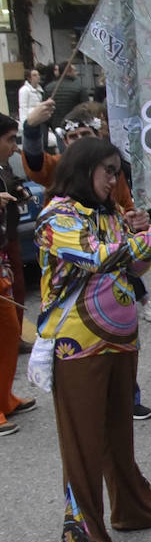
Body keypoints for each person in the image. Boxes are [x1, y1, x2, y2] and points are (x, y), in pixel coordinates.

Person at [25, 138, 151, 542]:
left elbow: (135, 267)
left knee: (117, 433)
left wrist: (140, 236)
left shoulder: (108, 213)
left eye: (118, 172)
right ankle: (81, 537)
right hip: (78, 346)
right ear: (84, 168)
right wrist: (148, 238)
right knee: (84, 442)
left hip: (121, 340)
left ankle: (132, 507)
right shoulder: (57, 215)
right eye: (108, 171)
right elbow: (95, 259)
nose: (114, 180)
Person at [0, 115, 36, 438]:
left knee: (10, 330)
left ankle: (5, 397)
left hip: (1, 260)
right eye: (10, 139)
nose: (14, 148)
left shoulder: (2, 171)